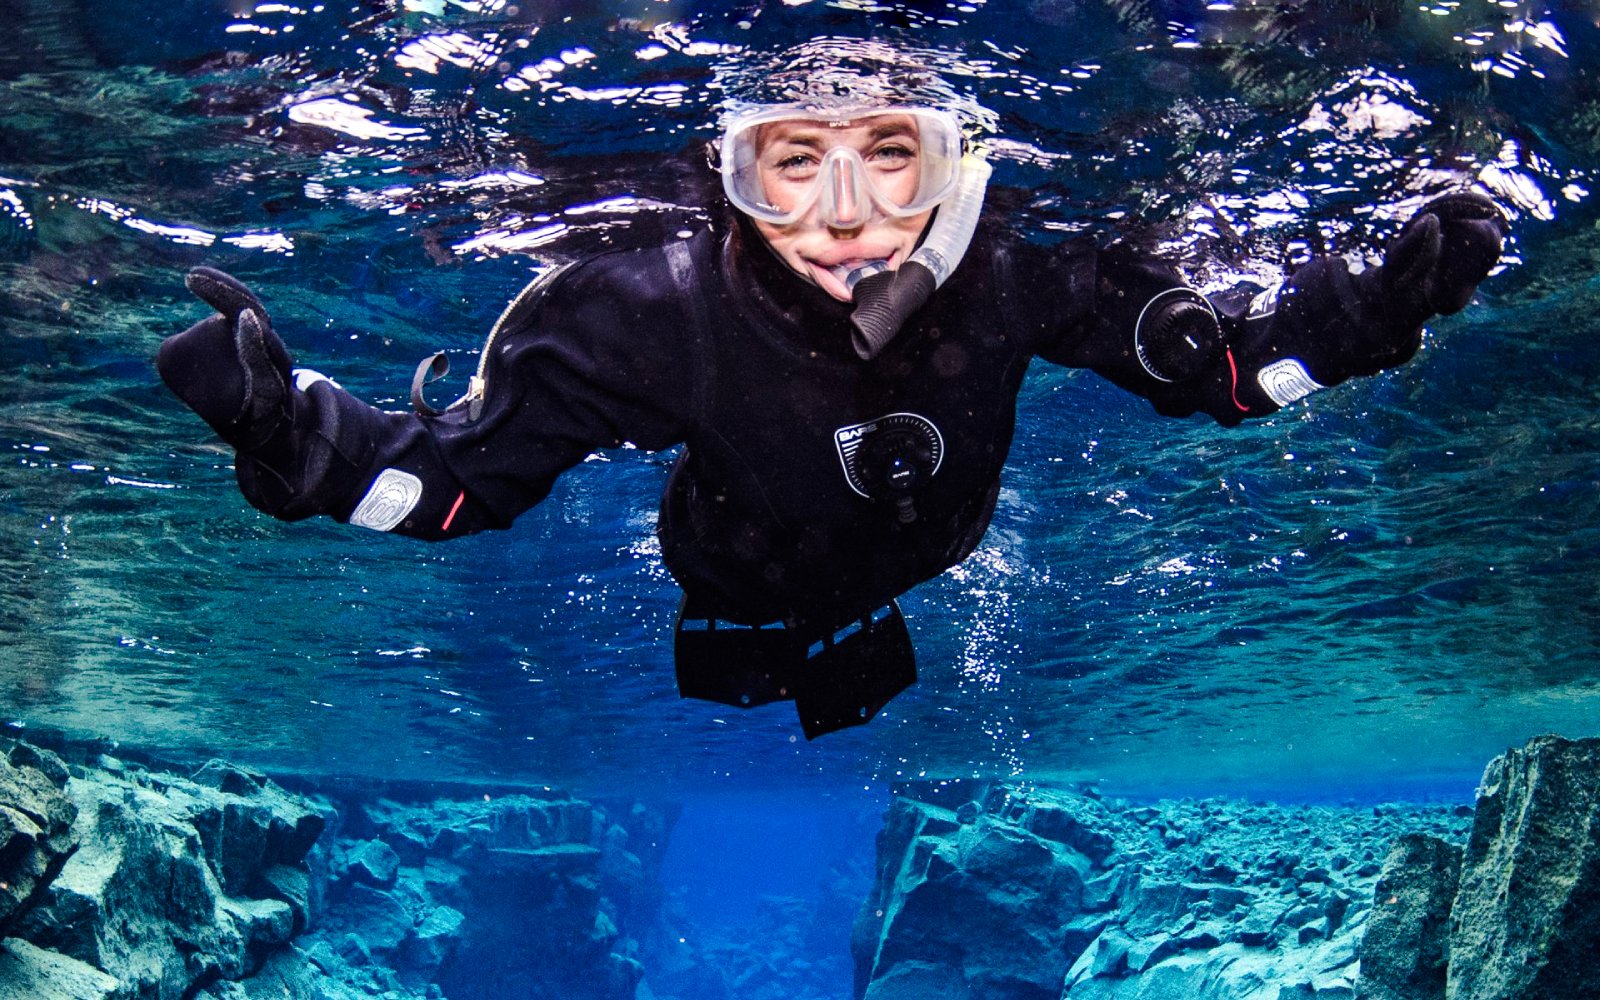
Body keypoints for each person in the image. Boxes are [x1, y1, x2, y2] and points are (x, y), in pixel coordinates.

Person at [158, 100, 1507, 738]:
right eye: (793, 163)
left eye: (891, 157)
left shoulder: (1020, 264)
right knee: (750, 612)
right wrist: (298, 442)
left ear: (953, 165)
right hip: (729, 568)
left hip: (938, 546)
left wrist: (1365, 313)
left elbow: (1225, 376)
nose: (850, 220)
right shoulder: (648, 313)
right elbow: (463, 487)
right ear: (728, 171)